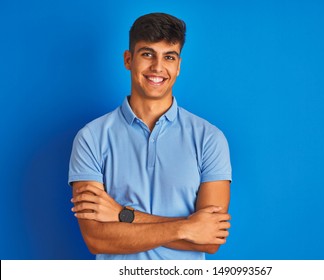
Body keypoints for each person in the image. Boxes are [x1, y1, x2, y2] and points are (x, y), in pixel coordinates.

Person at [68, 12, 232, 260]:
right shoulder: (91, 138)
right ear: (128, 59)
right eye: (147, 54)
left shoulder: (210, 138)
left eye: (168, 57)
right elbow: (97, 239)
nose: (157, 67)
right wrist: (187, 227)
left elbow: (210, 240)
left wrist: (123, 215)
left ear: (178, 66)